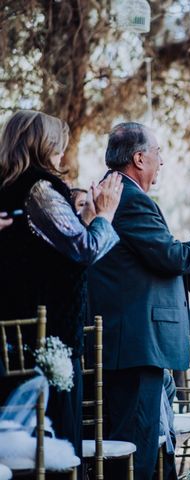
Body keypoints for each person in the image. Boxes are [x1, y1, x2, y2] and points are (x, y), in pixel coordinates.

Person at [87, 122, 190, 480]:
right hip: (135, 343)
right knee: (137, 446)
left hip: (133, 342)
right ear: (139, 158)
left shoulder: (120, 193)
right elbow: (167, 257)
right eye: (158, 152)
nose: (161, 161)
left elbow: (151, 260)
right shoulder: (131, 200)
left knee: (140, 444)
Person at [0, 109, 122, 458]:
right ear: (40, 145)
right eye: (57, 146)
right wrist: (106, 215)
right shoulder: (39, 187)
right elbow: (84, 250)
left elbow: (49, 240)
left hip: (16, 330)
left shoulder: (9, 185)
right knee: (56, 438)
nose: (61, 154)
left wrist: (85, 216)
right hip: (47, 331)